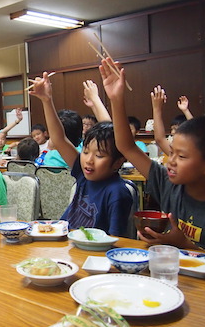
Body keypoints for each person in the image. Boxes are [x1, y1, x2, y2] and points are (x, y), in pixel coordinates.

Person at [103, 57, 205, 258]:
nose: (170, 161)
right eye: (171, 152)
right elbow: (125, 145)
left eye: (181, 156)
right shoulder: (169, 184)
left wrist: (183, 244)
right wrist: (116, 99)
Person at [30, 72, 132, 236]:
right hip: (67, 244)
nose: (89, 160)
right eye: (85, 152)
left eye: (99, 156)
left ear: (118, 162)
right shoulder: (84, 175)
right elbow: (59, 138)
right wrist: (46, 100)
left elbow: (116, 240)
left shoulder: (117, 192)